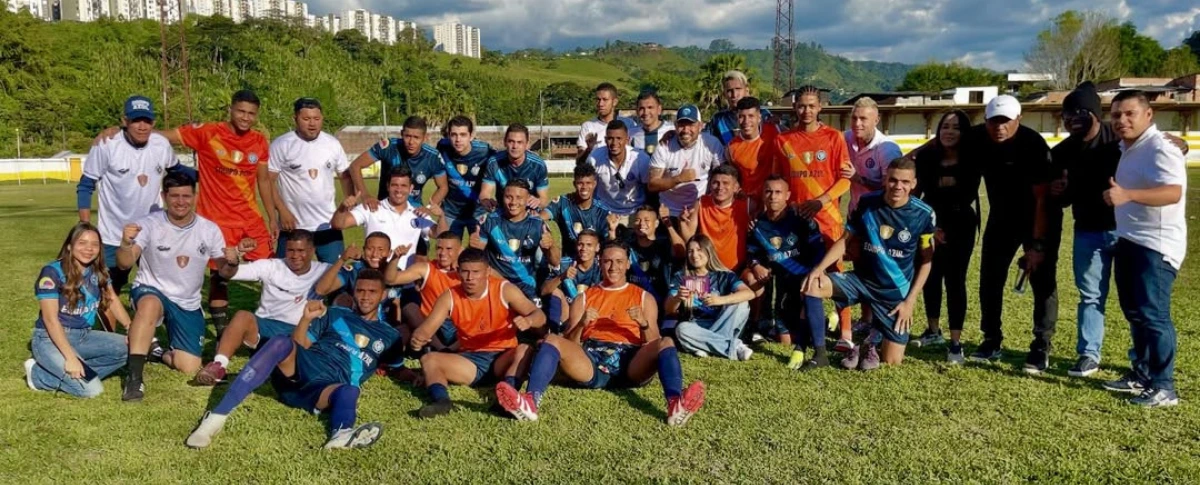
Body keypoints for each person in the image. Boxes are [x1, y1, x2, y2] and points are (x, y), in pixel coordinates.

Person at [496, 241, 706, 425]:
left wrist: (643, 324)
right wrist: (581, 325)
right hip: (591, 360)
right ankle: (530, 402)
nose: (613, 267)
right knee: (552, 340)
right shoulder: (585, 298)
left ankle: (675, 404)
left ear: (627, 263)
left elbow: (654, 343)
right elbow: (571, 343)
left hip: (631, 362)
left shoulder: (644, 297)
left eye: (618, 261)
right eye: (607, 261)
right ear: (600, 262)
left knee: (667, 342)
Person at [186, 271, 398, 449]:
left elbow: (398, 365)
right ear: (353, 292)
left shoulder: (390, 335)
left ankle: (341, 434)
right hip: (307, 367)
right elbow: (300, 344)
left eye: (372, 292)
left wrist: (412, 375)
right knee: (280, 342)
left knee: (350, 391)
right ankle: (215, 417)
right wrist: (306, 319)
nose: (365, 297)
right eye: (360, 290)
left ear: (383, 295)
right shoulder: (336, 314)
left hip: (324, 389)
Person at [801, 159, 935, 369]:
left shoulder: (924, 214)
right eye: (892, 180)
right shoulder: (867, 203)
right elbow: (845, 240)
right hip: (861, 281)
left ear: (914, 183)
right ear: (885, 179)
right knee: (812, 285)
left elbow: (926, 262)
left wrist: (910, 301)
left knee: (892, 361)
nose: (898, 186)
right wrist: (818, 269)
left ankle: (870, 341)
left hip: (893, 293)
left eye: (905, 182)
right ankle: (820, 354)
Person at [1101, 90, 1187, 407]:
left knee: (1154, 315)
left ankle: (1164, 386)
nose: (1122, 120)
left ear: (1148, 115)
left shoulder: (1160, 147)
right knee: (1136, 313)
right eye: (1116, 115)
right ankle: (1142, 374)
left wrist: (1128, 196)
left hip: (1156, 244)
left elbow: (1173, 192)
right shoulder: (1130, 147)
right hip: (1130, 240)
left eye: (1129, 113)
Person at [116, 172, 235, 401]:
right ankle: (134, 379)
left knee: (188, 365)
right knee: (149, 304)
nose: (181, 202)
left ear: (195, 197)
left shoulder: (209, 229)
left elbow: (225, 272)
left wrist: (232, 262)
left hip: (187, 302)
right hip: (152, 289)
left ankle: (156, 351)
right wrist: (124, 244)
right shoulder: (148, 224)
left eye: (186, 196)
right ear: (163, 196)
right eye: (174, 196)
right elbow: (125, 262)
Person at [962, 95, 1058, 371]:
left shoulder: (1033, 145)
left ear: (1018, 119)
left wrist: (1037, 245)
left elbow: (1042, 199)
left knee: (1042, 282)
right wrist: (911, 155)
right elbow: (944, 142)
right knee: (989, 279)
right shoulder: (978, 136)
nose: (999, 127)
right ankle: (991, 338)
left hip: (1036, 217)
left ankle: (1041, 345)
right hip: (1001, 218)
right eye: (993, 121)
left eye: (1005, 121)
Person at [411, 248, 546, 418]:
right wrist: (419, 337)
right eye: (465, 272)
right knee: (429, 359)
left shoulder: (504, 289)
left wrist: (529, 321)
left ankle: (505, 398)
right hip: (470, 360)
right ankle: (441, 402)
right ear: (458, 272)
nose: (470, 278)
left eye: (476, 272)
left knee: (525, 349)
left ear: (488, 272)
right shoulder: (450, 297)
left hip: (503, 357)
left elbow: (539, 315)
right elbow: (426, 328)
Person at [192, 229, 332, 385]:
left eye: (301, 251)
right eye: (290, 250)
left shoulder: (325, 270)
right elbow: (228, 274)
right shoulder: (272, 266)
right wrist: (234, 258)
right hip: (265, 328)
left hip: (298, 333)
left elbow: (350, 286)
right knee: (242, 316)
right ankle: (218, 366)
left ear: (312, 251)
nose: (295, 256)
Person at [774, 85, 856, 352]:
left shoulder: (833, 138)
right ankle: (805, 331)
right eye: (801, 105)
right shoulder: (783, 140)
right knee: (800, 274)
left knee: (835, 272)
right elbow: (779, 181)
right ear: (794, 107)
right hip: (797, 221)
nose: (806, 110)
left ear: (820, 107)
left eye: (811, 105)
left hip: (828, 218)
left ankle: (845, 333)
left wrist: (820, 201)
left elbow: (845, 181)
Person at [78, 95, 185, 297]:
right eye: (136, 120)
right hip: (112, 235)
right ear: (124, 121)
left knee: (162, 288)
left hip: (152, 232)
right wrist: (85, 226)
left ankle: (149, 325)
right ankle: (106, 329)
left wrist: (218, 171)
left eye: (147, 120)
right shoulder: (107, 144)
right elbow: (85, 185)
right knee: (108, 290)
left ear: (154, 122)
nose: (142, 126)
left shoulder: (161, 144)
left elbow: (179, 172)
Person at [1050, 82, 1122, 377]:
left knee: (1134, 299)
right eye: (1066, 114)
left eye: (1079, 112)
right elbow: (1064, 198)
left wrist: (1178, 143)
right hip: (1088, 231)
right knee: (1091, 295)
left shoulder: (1117, 138)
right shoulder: (1063, 151)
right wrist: (1059, 191)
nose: (1072, 119)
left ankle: (1141, 361)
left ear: (1094, 112)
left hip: (1128, 230)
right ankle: (1089, 354)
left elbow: (1159, 145)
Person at [25, 222, 132, 398]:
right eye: (82, 243)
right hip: (50, 338)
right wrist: (70, 358)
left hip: (84, 335)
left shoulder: (99, 271)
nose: (89, 249)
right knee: (92, 390)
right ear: (69, 246)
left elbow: (112, 300)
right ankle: (37, 374)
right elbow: (51, 320)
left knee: (130, 348)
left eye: (94, 244)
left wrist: (130, 327)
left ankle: (72, 370)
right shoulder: (51, 272)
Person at [908, 110, 981, 363]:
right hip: (930, 224)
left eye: (956, 127)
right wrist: (930, 227)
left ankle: (956, 342)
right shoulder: (928, 157)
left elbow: (964, 193)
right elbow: (916, 193)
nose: (949, 131)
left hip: (961, 224)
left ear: (965, 132)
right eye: (945, 127)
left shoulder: (972, 157)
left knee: (955, 280)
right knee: (930, 275)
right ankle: (933, 330)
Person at [741, 175, 826, 362]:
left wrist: (815, 272)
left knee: (810, 333)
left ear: (787, 195)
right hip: (782, 286)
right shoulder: (757, 224)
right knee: (784, 342)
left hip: (806, 282)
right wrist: (756, 265)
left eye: (778, 192)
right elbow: (751, 252)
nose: (773, 196)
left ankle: (817, 326)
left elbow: (819, 249)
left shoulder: (801, 219)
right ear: (763, 195)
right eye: (768, 191)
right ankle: (759, 324)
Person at [268, 97, 352, 263]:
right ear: (295, 119)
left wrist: (349, 203)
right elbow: (268, 181)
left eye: (316, 119)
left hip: (328, 225)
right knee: (286, 278)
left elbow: (345, 175)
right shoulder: (282, 144)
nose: (312, 124)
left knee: (333, 276)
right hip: (293, 225)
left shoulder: (332, 144)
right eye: (306, 119)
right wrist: (282, 211)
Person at [472, 180, 560, 321]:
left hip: (525, 284)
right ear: (502, 197)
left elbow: (555, 262)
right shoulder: (490, 221)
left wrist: (551, 246)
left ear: (527, 199)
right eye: (509, 197)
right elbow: (475, 258)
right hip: (496, 282)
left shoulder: (538, 224)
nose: (513, 202)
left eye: (519, 198)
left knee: (540, 326)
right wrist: (474, 246)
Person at [665, 235, 755, 360]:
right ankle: (734, 346)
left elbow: (749, 293)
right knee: (682, 329)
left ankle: (703, 346)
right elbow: (668, 309)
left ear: (708, 251)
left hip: (723, 321)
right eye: (690, 251)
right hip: (696, 326)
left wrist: (720, 300)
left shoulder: (724, 275)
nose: (694, 255)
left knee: (741, 303)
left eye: (699, 249)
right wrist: (677, 298)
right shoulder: (681, 276)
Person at [348, 115, 448, 217]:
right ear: (401, 134)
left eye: (416, 137)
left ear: (425, 138)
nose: (411, 142)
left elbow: (443, 186)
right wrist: (365, 195)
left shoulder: (433, 157)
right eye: (407, 136)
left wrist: (428, 208)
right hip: (385, 209)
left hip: (414, 210)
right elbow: (355, 166)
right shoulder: (388, 147)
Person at [331, 167, 435, 260]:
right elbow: (338, 224)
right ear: (387, 186)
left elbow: (437, 233)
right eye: (395, 185)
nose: (399, 190)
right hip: (376, 276)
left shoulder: (417, 213)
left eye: (403, 185)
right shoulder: (371, 207)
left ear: (411, 188)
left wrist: (442, 216)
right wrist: (342, 208)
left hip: (405, 277)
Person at [384, 231, 463, 350]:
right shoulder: (426, 268)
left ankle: (451, 350)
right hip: (431, 325)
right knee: (410, 308)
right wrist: (395, 258)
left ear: (460, 250)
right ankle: (441, 349)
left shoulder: (468, 271)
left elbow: (497, 283)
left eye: (448, 249)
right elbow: (391, 280)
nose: (442, 253)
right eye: (439, 248)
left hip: (460, 323)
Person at [648, 105, 726, 218]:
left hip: (701, 209)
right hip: (670, 211)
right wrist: (678, 179)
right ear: (675, 126)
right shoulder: (664, 146)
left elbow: (723, 175)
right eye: (681, 125)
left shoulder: (711, 144)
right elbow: (652, 185)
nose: (685, 130)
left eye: (691, 125)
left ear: (700, 126)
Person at [680, 165, 750, 273]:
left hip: (737, 270)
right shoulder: (701, 203)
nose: (720, 187)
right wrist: (682, 222)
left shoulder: (747, 205)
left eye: (726, 183)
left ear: (736, 187)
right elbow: (689, 237)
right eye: (715, 182)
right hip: (707, 269)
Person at [542, 163, 617, 260]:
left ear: (594, 184)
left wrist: (612, 232)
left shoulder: (602, 211)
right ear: (574, 184)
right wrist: (545, 231)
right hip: (568, 260)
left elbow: (610, 245)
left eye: (588, 183)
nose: (584, 187)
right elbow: (541, 217)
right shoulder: (562, 202)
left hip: (593, 263)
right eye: (580, 183)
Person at [437, 116, 496, 238]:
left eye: (463, 135)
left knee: (478, 254)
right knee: (447, 253)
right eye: (454, 135)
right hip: (450, 213)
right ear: (448, 135)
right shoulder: (442, 147)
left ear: (471, 136)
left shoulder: (484, 150)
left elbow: (504, 162)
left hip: (478, 213)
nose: (458, 139)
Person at [845, 97, 903, 212]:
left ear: (876, 120)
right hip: (855, 212)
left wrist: (859, 179)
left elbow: (891, 188)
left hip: (880, 215)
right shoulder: (845, 138)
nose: (857, 123)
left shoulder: (888, 149)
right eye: (854, 118)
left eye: (863, 119)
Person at [540, 229, 603, 333]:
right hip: (566, 313)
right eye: (580, 244)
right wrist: (562, 276)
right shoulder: (564, 263)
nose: (584, 249)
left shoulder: (601, 267)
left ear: (597, 248)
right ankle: (555, 331)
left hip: (590, 313)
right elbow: (544, 291)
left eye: (589, 245)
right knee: (555, 291)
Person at [586, 120, 653, 219]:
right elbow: (587, 186)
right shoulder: (594, 157)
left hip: (634, 212)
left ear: (627, 140)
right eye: (610, 138)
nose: (614, 143)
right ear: (605, 139)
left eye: (619, 138)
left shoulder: (640, 158)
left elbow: (649, 190)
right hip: (605, 213)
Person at [478, 123, 550, 214]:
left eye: (519, 142)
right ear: (505, 142)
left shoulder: (538, 165)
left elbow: (544, 199)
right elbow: (485, 193)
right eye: (511, 141)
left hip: (529, 214)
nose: (515, 146)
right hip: (503, 213)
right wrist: (486, 201)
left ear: (527, 144)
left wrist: (538, 201)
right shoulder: (494, 162)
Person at [625, 205, 684, 309]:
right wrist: (612, 231)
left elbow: (681, 251)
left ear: (656, 223)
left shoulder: (664, 245)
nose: (641, 224)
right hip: (631, 303)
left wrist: (668, 223)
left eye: (646, 220)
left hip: (660, 304)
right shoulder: (627, 247)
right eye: (638, 220)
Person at [725, 96, 780, 203]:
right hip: (749, 202)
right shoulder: (731, 147)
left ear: (759, 117)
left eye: (751, 116)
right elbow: (734, 177)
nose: (746, 121)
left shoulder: (774, 131)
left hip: (774, 199)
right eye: (741, 116)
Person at [576, 82, 643, 165]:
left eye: (605, 100)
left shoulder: (629, 123)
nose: (600, 104)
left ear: (614, 102)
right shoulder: (588, 126)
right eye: (598, 99)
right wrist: (589, 149)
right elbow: (579, 162)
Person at [707, 70, 774, 146]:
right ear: (724, 94)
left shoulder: (763, 114)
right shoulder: (718, 119)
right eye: (729, 91)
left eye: (738, 89)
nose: (734, 95)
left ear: (747, 91)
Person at [635, 91, 675, 156]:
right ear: (637, 111)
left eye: (650, 107)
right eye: (641, 108)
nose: (646, 112)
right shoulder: (630, 134)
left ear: (659, 109)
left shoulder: (672, 131)